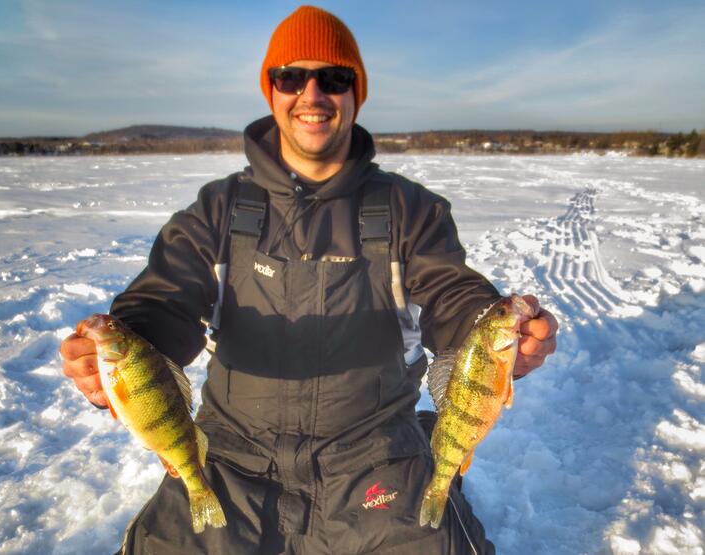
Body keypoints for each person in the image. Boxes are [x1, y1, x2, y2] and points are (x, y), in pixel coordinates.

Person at [60, 6, 557, 554]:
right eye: (292, 76)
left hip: (375, 458)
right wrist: (113, 360)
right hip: (231, 458)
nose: (312, 94)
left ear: (355, 93)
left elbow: (452, 296)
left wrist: (495, 338)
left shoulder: (408, 209)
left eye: (335, 78)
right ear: (271, 90)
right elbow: (162, 305)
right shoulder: (218, 209)